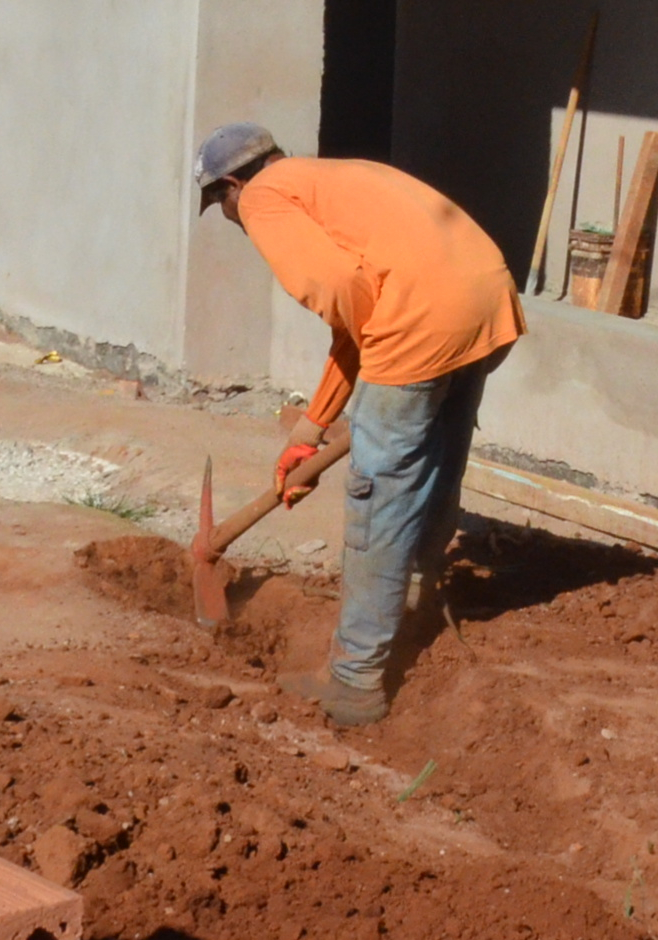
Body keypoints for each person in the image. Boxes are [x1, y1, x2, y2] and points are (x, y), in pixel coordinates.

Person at [194, 123, 522, 727]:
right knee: (437, 462)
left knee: (382, 491)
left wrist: (379, 377)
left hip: (421, 320)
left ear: (233, 184)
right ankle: (418, 600)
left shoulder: (265, 197)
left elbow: (345, 293)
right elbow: (363, 319)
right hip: (487, 302)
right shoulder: (335, 177)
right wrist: (309, 431)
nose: (234, 220)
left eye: (222, 207)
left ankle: (354, 679)